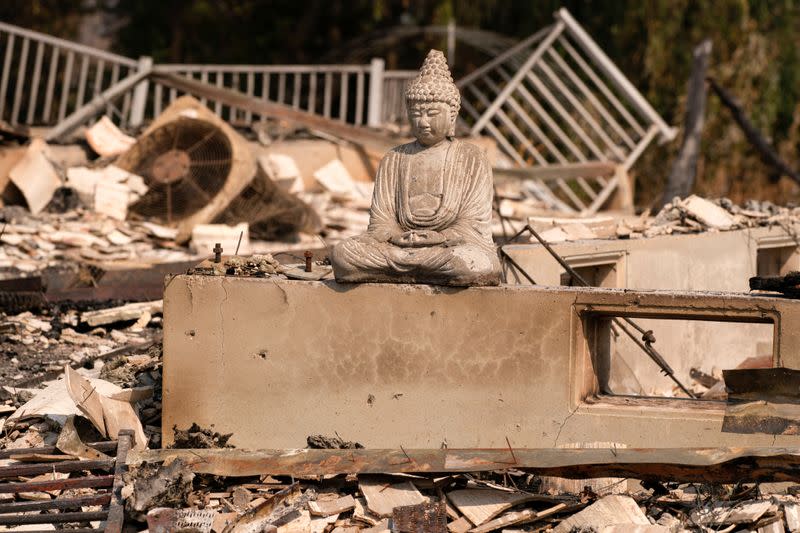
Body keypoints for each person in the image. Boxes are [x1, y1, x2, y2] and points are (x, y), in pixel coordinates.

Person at [331, 49, 501, 287]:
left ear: (452, 116)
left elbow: (473, 224)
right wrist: (397, 236)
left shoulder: (471, 158)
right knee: (343, 254)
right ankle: (413, 270)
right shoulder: (394, 158)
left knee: (472, 263)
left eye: (432, 114)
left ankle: (408, 270)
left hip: (451, 249)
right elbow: (381, 222)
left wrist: (439, 237)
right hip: (399, 248)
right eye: (416, 114)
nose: (423, 122)